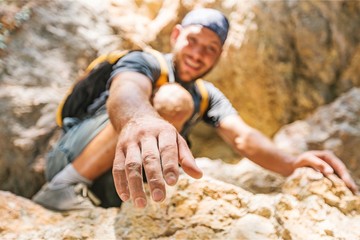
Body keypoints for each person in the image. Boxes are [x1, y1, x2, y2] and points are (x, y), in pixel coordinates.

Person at [33, 8, 357, 211]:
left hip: (119, 177)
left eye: (210, 50)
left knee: (182, 103)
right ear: (176, 35)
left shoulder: (207, 95)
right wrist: (140, 119)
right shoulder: (145, 61)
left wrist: (291, 163)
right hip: (72, 156)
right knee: (175, 101)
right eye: (193, 41)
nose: (198, 54)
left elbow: (243, 138)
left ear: (218, 57)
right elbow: (126, 92)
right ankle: (62, 186)